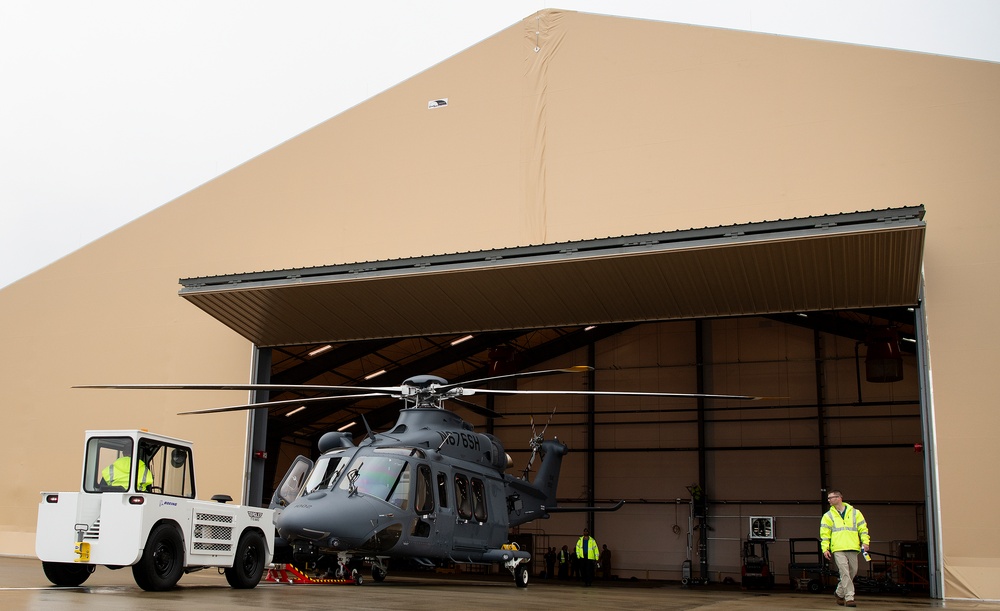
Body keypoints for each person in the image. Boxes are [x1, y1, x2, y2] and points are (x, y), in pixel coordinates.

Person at [820, 490, 870, 608]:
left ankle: (839, 592)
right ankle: (849, 597)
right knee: (844, 572)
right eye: (828, 498)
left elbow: (863, 528)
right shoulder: (828, 516)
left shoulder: (855, 513)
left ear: (839, 498)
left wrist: (865, 542)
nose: (829, 500)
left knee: (853, 571)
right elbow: (824, 534)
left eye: (830, 498)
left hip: (853, 547)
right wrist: (825, 549)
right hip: (838, 548)